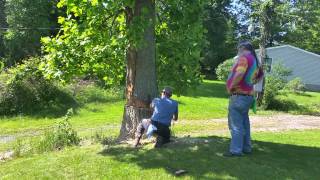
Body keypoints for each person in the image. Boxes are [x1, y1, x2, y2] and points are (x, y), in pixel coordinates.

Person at [224, 41, 264, 157]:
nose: (238, 51)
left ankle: (236, 150)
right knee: (245, 123)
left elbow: (239, 74)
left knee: (235, 124)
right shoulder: (255, 60)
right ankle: (247, 148)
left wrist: (231, 86)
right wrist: (251, 83)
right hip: (248, 97)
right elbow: (261, 76)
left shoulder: (244, 58)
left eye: (238, 49)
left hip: (238, 96)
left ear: (242, 48)